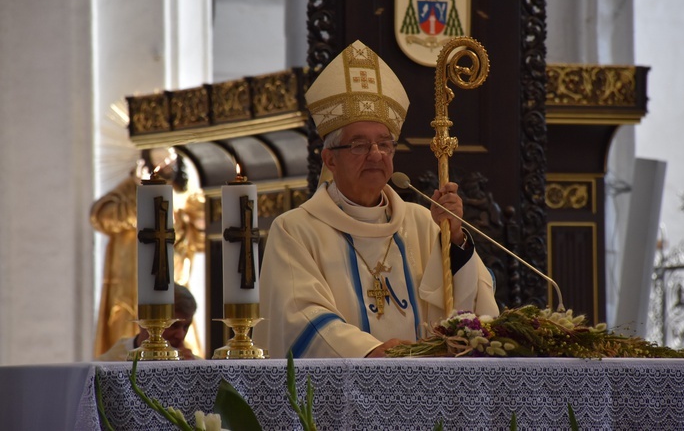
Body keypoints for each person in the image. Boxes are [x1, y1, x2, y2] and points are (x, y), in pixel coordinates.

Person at [254, 40, 499, 358]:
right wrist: (371, 353)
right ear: (330, 160)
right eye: (359, 145)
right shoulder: (295, 230)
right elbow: (299, 317)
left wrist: (453, 240)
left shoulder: (424, 222)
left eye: (385, 144)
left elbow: (473, 314)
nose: (375, 155)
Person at [91, 150, 205, 358]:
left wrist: (200, 222)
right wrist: (142, 203)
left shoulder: (187, 195)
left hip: (173, 282)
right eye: (159, 152)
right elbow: (100, 216)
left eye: (170, 153)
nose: (165, 160)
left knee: (176, 331)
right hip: (131, 284)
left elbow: (202, 241)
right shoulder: (131, 189)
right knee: (131, 339)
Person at [98, 284, 201, 360]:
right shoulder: (109, 365)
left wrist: (190, 372)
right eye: (173, 325)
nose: (180, 335)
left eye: (186, 326)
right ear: (146, 320)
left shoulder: (193, 363)